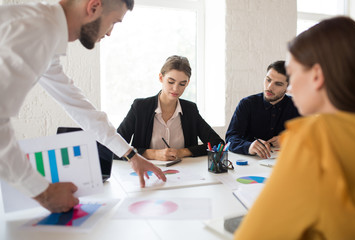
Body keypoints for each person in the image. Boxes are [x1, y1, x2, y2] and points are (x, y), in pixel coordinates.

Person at [0, 0, 166, 213]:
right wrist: (44, 193)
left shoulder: (45, 31)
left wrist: (130, 155)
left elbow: (77, 105)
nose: (109, 33)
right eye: (113, 22)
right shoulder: (36, 29)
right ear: (94, 7)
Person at [234, 16, 355, 239]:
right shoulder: (248, 104)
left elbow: (254, 235)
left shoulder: (314, 137)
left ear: (317, 75)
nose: (289, 88)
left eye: (291, 76)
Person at [116, 55, 224, 161]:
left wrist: (182, 152)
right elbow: (113, 146)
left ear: (187, 83)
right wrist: (152, 154)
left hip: (184, 173)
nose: (176, 89)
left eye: (182, 84)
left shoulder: (190, 109)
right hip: (146, 173)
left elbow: (218, 143)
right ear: (161, 78)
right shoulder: (140, 107)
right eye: (171, 82)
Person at [225, 60, 300, 158]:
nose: (269, 87)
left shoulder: (298, 106)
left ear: (288, 87)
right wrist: (248, 146)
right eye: (268, 80)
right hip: (250, 163)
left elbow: (313, 139)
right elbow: (231, 138)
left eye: (278, 84)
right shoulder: (247, 104)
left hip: (285, 163)